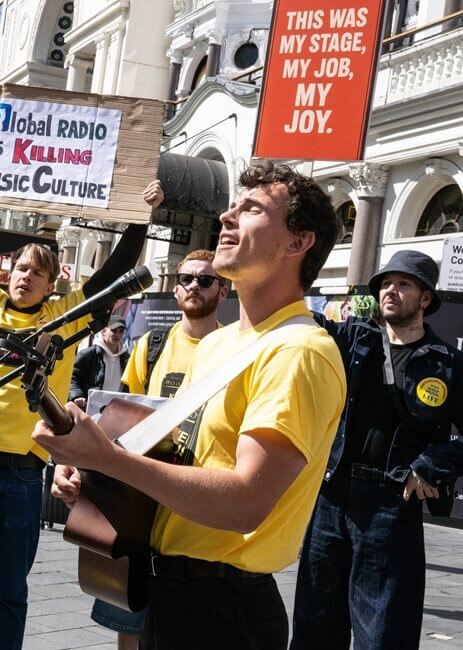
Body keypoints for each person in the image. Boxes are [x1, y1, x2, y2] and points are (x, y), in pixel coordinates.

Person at [36, 160, 346, 650]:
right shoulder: (221, 345)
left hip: (224, 611)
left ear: (298, 242)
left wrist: (109, 459)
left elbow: (246, 502)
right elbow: (179, 465)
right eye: (231, 206)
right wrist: (97, 478)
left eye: (252, 209)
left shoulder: (300, 352)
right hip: (170, 591)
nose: (228, 217)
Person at [0, 152, 157, 649]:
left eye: (37, 272)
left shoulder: (66, 316)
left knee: (12, 592)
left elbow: (114, 271)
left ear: (52, 282)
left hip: (23, 475)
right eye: (20, 267)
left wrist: (139, 217)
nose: (24, 276)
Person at [291, 250, 463, 650]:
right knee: (314, 623)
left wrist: (431, 464)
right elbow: (298, 320)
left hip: (391, 506)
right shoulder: (352, 340)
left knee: (383, 631)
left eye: (403, 284)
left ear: (425, 299)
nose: (391, 290)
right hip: (331, 499)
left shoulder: (447, 363)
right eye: (386, 283)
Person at [82, 249, 229, 649]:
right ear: (175, 287)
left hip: (193, 495)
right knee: (128, 608)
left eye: (205, 279)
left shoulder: (232, 350)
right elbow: (122, 409)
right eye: (186, 278)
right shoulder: (154, 343)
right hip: (142, 491)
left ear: (223, 289)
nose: (193, 286)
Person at [69, 314, 130, 409]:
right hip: (90, 410)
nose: (117, 334)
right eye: (113, 330)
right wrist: (77, 395)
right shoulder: (88, 355)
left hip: (117, 411)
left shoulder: (127, 358)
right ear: (103, 331)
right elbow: (72, 379)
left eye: (121, 331)